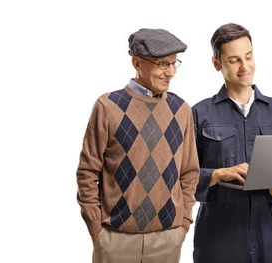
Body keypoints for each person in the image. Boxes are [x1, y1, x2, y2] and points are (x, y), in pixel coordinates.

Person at [76, 28, 200, 263]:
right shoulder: (107, 106)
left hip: (167, 240)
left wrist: (182, 225)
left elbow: (189, 172)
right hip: (115, 239)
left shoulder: (181, 110)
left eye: (175, 64)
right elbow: (87, 172)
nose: (171, 72)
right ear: (137, 63)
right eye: (163, 64)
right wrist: (96, 229)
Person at [191, 23, 272, 263]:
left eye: (249, 57)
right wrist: (218, 174)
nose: (245, 66)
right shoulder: (199, 114)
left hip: (266, 236)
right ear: (217, 64)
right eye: (234, 60)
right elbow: (181, 177)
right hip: (217, 237)